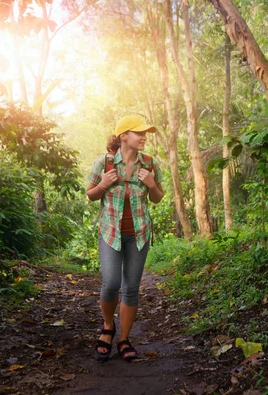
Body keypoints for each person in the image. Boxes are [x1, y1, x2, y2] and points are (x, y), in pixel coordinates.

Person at [86, 115, 164, 361]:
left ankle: (124, 339)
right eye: (138, 133)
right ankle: (108, 326)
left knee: (131, 289)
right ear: (123, 137)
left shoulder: (150, 163)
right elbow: (90, 195)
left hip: (138, 234)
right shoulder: (104, 163)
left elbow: (157, 198)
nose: (143, 137)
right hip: (110, 233)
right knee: (110, 284)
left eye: (145, 133)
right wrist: (103, 186)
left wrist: (152, 185)